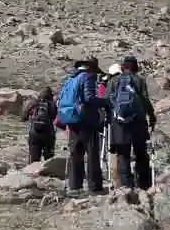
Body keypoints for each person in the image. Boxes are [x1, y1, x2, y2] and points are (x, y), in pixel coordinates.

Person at [57, 57, 108, 195]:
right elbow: (89, 97)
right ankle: (94, 186)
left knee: (76, 153)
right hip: (86, 119)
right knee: (92, 153)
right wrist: (105, 102)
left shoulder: (70, 79)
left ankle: (75, 185)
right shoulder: (88, 77)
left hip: (71, 119)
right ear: (90, 67)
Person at [105, 55, 157, 190]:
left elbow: (106, 101)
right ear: (136, 67)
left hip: (119, 125)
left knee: (123, 155)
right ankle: (144, 185)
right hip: (138, 123)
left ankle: (127, 187)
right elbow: (145, 101)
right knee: (141, 153)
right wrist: (151, 116)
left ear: (123, 66)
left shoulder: (114, 81)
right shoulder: (139, 80)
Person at [21, 86, 56, 163]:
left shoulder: (33, 103)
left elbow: (23, 118)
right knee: (49, 159)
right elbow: (55, 118)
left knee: (33, 160)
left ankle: (32, 172)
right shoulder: (53, 104)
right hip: (48, 133)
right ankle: (48, 171)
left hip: (34, 133)